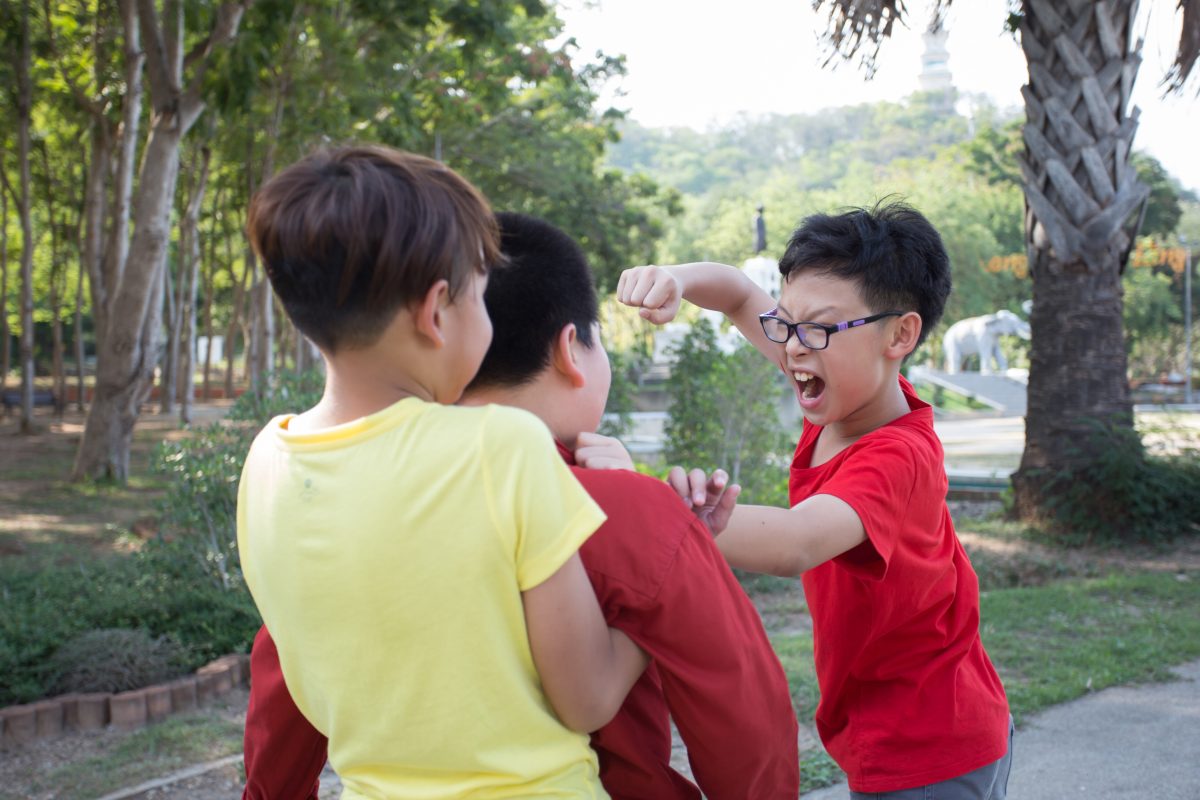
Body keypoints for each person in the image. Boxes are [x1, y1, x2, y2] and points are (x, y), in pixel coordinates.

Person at [242, 212, 800, 800]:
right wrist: (673, 524)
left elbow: (285, 679)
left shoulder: (342, 487)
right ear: (570, 349)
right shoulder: (628, 507)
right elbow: (741, 712)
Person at [237, 146, 648, 799]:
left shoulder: (267, 459)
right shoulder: (502, 447)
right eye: (480, 297)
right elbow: (589, 697)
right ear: (436, 313)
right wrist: (650, 613)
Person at [618, 201, 1013, 799]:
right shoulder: (846, 388)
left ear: (900, 335)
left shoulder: (896, 454)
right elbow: (735, 293)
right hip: (894, 726)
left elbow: (795, 542)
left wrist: (646, 506)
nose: (794, 349)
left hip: (929, 743)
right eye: (786, 324)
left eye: (819, 329)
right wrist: (674, 277)